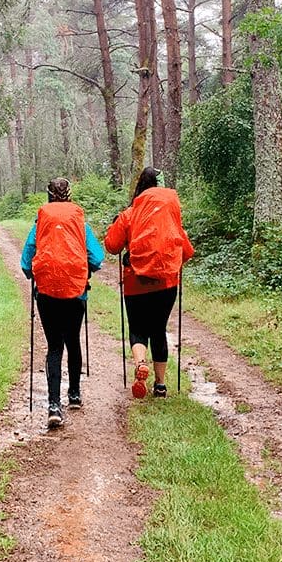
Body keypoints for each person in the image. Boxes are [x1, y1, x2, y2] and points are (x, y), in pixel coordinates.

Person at [21, 177, 104, 429]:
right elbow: (97, 258)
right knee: (73, 341)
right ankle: (75, 395)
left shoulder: (40, 224)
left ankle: (54, 405)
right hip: (75, 293)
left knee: (54, 346)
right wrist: (84, 268)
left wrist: (35, 274)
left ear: (48, 196)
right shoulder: (80, 223)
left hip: (46, 294)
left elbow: (26, 264)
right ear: (69, 196)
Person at [104, 167, 194, 399]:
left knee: (138, 328)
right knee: (158, 330)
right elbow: (187, 251)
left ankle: (141, 363)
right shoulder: (170, 218)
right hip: (166, 283)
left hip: (136, 282)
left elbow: (112, 246)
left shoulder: (130, 214)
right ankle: (161, 385)